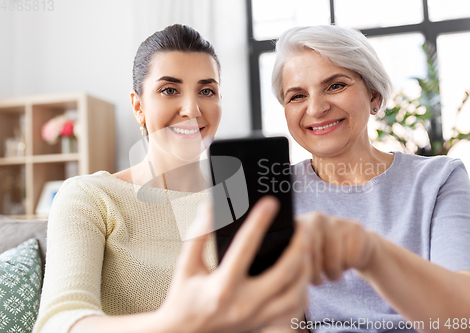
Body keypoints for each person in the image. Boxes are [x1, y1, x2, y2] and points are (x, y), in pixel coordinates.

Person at [32, 24, 312, 333]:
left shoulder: (244, 199)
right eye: (169, 90)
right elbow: (58, 323)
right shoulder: (91, 197)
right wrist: (173, 323)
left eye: (207, 91)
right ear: (138, 106)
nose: (191, 109)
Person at [270, 25, 470, 332]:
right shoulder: (274, 194)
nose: (316, 107)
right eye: (297, 95)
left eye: (335, 86)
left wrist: (370, 253)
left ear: (373, 96)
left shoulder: (439, 179)